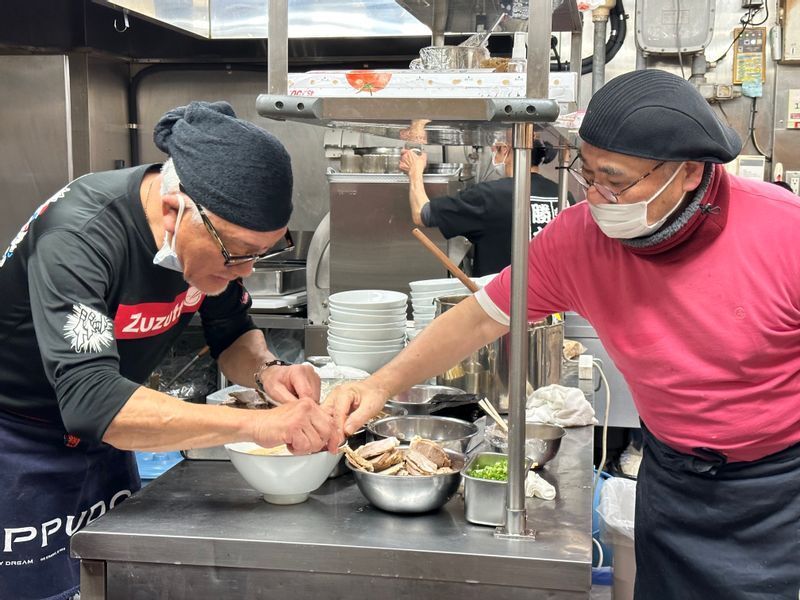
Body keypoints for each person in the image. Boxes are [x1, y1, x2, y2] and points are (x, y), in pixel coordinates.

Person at [329, 69, 800, 599]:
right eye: (586, 171)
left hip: (776, 490)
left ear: (688, 172)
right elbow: (482, 315)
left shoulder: (784, 234)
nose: (594, 194)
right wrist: (379, 386)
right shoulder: (579, 240)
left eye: (615, 180)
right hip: (670, 480)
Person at [0, 101, 339, 600]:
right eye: (238, 253)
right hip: (18, 442)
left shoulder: (211, 245)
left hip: (110, 435)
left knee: (117, 582)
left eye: (261, 254)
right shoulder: (80, 237)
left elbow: (230, 333)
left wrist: (267, 373)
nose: (246, 270)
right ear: (174, 208)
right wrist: (258, 425)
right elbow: (91, 400)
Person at [399, 136, 574, 276]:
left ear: (505, 150)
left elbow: (422, 214)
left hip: (501, 308)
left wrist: (414, 172)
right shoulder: (565, 195)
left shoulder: (490, 195)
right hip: (554, 309)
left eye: (495, 149)